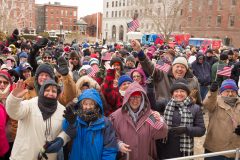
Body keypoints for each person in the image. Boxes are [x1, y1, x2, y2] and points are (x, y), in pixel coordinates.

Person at [6, 79, 70, 160]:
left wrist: (62, 139)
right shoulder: (30, 104)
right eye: (47, 90)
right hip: (23, 156)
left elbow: (67, 129)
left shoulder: (62, 111)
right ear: (41, 91)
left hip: (48, 156)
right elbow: (14, 113)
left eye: (54, 91)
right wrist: (14, 99)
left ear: (57, 94)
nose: (50, 93)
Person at [131, 39, 201, 105]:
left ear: (186, 70)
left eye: (183, 67)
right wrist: (139, 50)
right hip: (162, 112)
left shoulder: (193, 80)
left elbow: (198, 102)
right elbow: (149, 66)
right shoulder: (162, 74)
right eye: (177, 66)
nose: (179, 69)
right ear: (172, 67)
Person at [110, 82, 168, 160]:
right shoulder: (115, 117)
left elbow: (161, 134)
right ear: (127, 98)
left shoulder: (150, 115)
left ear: (143, 98)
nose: (135, 100)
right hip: (125, 157)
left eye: (138, 97)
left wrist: (160, 120)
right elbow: (110, 136)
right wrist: (118, 144)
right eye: (132, 97)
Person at [61, 89, 118, 160]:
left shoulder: (105, 122)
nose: (88, 107)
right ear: (81, 105)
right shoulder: (76, 118)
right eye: (85, 104)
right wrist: (70, 122)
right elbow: (69, 132)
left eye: (91, 104)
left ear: (97, 105)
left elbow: (110, 148)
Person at [157, 79, 205, 159]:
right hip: (164, 147)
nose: (179, 94)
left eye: (182, 91)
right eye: (176, 91)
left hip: (183, 151)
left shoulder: (195, 108)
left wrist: (186, 129)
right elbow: (152, 104)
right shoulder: (165, 104)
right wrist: (150, 88)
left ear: (187, 93)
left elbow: (201, 130)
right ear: (172, 94)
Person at [203, 79, 240, 160]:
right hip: (215, 150)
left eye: (233, 91)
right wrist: (212, 92)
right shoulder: (215, 101)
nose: (230, 94)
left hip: (235, 150)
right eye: (227, 91)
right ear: (221, 92)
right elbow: (207, 104)